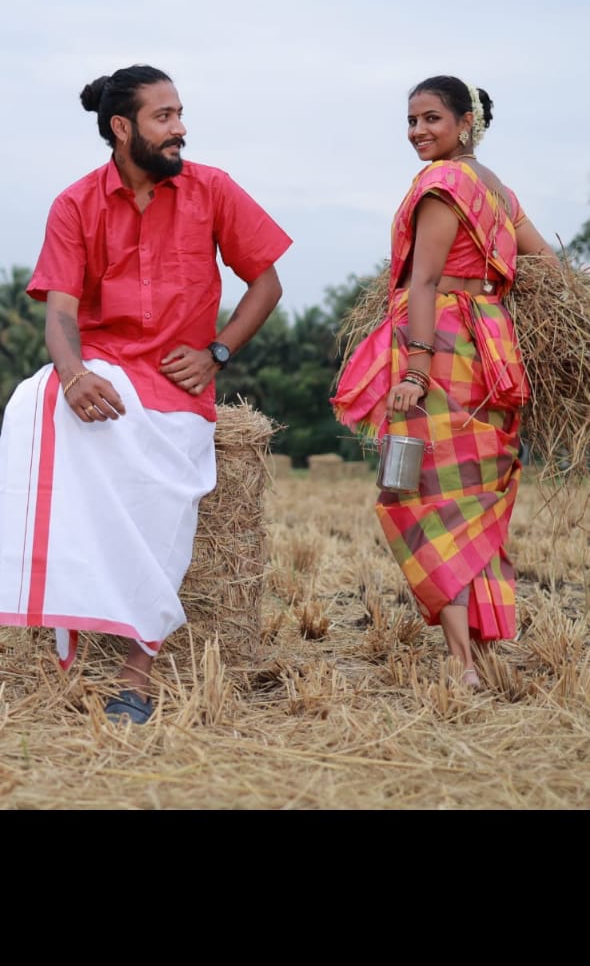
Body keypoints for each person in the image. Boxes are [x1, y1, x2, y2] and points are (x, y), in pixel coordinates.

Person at [0, 64, 292, 723]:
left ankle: (137, 668)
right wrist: (73, 376)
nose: (180, 128)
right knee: (32, 407)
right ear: (122, 128)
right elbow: (62, 315)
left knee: (162, 479)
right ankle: (62, 619)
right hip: (99, 366)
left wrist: (219, 351)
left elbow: (267, 283)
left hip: (174, 381)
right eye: (165, 117)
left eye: (180, 114)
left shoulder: (212, 189)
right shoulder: (74, 203)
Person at [332, 76, 558, 688]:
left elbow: (424, 284)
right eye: (411, 121)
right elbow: (550, 267)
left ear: (465, 122)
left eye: (431, 119)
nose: (417, 132)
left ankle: (462, 665)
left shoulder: (442, 185)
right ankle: (479, 656)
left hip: (445, 351)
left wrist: (414, 369)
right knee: (477, 500)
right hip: (495, 354)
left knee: (421, 493)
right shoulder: (499, 191)